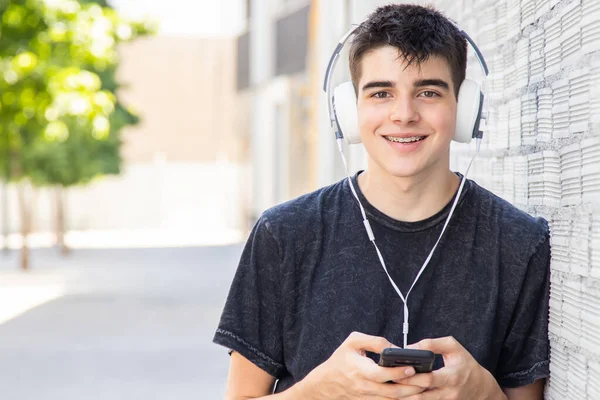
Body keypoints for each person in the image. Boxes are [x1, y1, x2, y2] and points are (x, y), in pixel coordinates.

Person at [214, 4, 550, 399]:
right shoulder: (284, 235)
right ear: (349, 112)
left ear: (464, 109)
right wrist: (321, 389)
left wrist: (485, 392)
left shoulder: (519, 243)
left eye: (428, 92)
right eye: (381, 93)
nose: (404, 114)